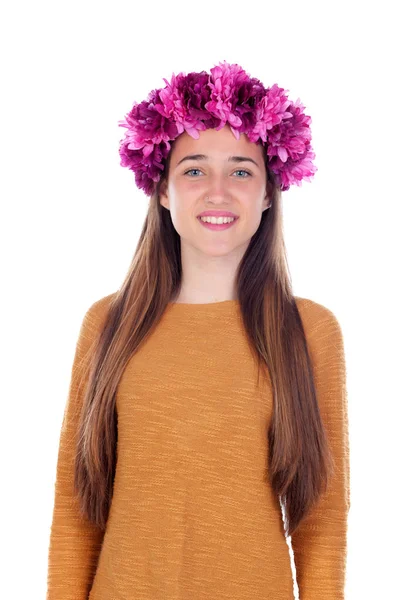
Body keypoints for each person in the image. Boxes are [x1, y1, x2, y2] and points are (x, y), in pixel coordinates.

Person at [46, 61, 351, 600]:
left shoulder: (309, 331)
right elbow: (77, 507)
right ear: (163, 191)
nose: (217, 191)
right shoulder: (108, 325)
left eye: (240, 171)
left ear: (267, 195)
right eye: (193, 170)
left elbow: (321, 518)